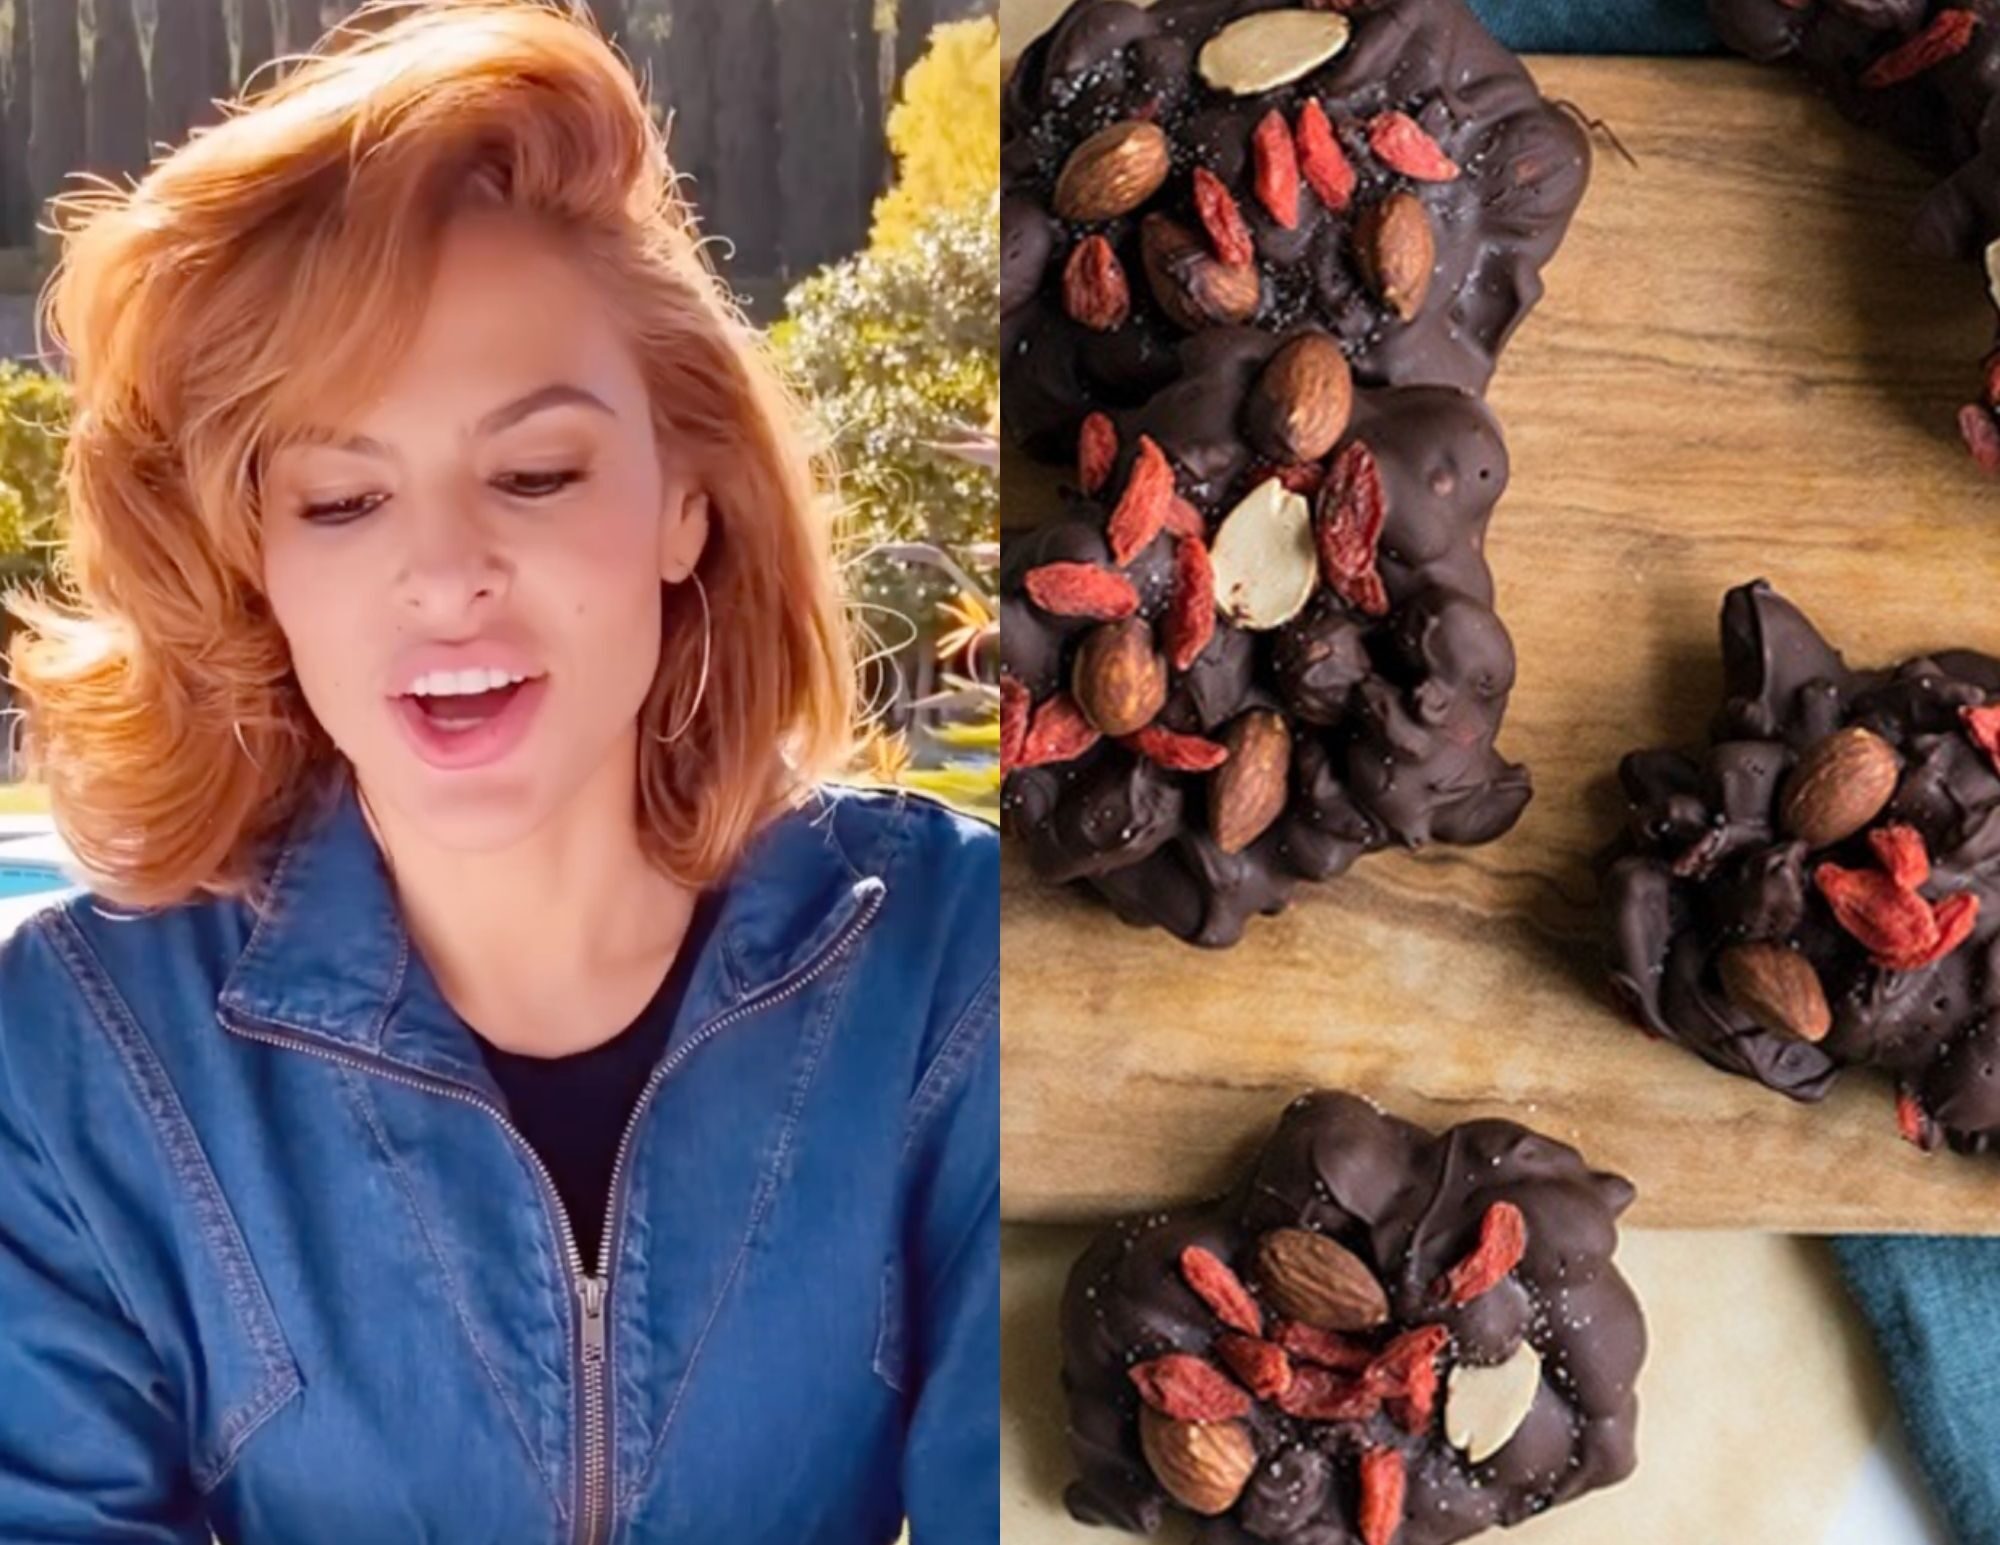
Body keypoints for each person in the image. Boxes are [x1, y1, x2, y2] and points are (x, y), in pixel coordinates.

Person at [0, 3, 998, 1541]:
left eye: (534, 473)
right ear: (256, 561)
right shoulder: (71, 1057)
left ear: (689, 504)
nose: (444, 573)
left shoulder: (949, 959)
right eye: (341, 499)